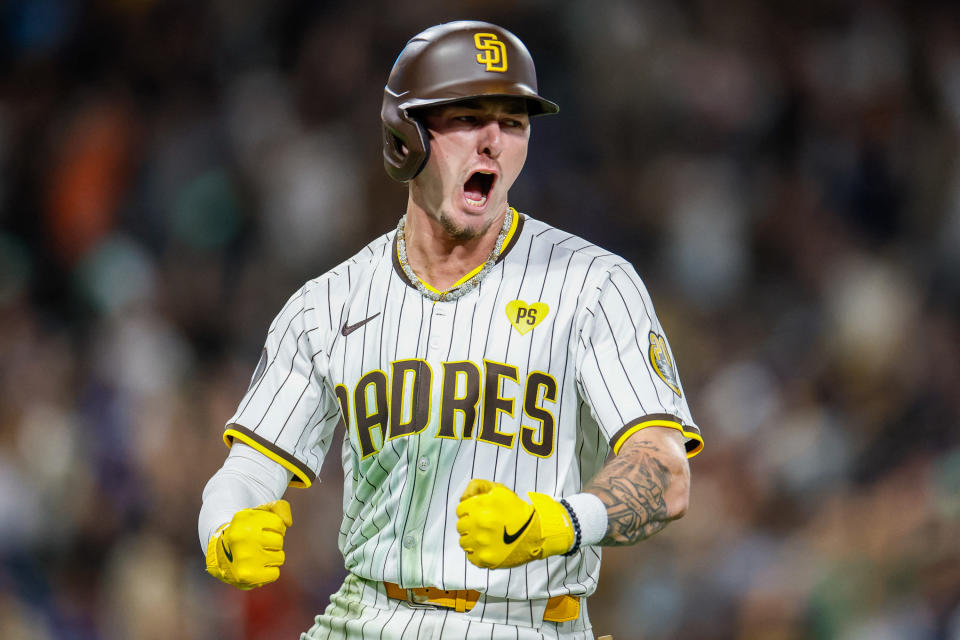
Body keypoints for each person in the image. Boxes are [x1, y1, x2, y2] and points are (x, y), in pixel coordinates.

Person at [199, 20, 703, 640]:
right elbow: (248, 471)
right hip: (364, 617)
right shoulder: (327, 304)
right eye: (467, 117)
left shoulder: (593, 285)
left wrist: (563, 522)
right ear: (403, 137)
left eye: (513, 122)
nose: (493, 140)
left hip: (526, 624)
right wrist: (224, 526)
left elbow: (664, 471)